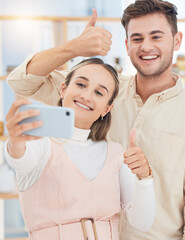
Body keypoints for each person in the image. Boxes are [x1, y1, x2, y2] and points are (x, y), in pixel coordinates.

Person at [6, 0, 185, 239]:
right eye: (137, 38)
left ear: (177, 40)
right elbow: (21, 82)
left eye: (156, 37)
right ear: (127, 45)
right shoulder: (101, 91)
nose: (146, 46)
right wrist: (74, 48)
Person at [4, 58, 155, 239]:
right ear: (63, 89)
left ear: (106, 109)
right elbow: (20, 159)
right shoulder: (40, 144)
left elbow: (142, 222)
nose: (87, 96)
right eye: (81, 84)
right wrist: (16, 142)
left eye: (99, 93)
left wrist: (145, 178)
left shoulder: (116, 153)